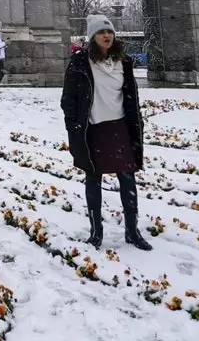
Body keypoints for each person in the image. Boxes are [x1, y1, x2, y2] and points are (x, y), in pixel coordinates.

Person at [60, 14, 151, 251]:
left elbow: (130, 97)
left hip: (119, 127)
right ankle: (95, 232)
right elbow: (68, 99)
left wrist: (135, 124)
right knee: (93, 179)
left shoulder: (125, 62)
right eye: (101, 32)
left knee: (128, 179)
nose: (107, 36)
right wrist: (73, 125)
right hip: (92, 128)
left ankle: (132, 231)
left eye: (109, 32)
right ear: (92, 37)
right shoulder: (80, 63)